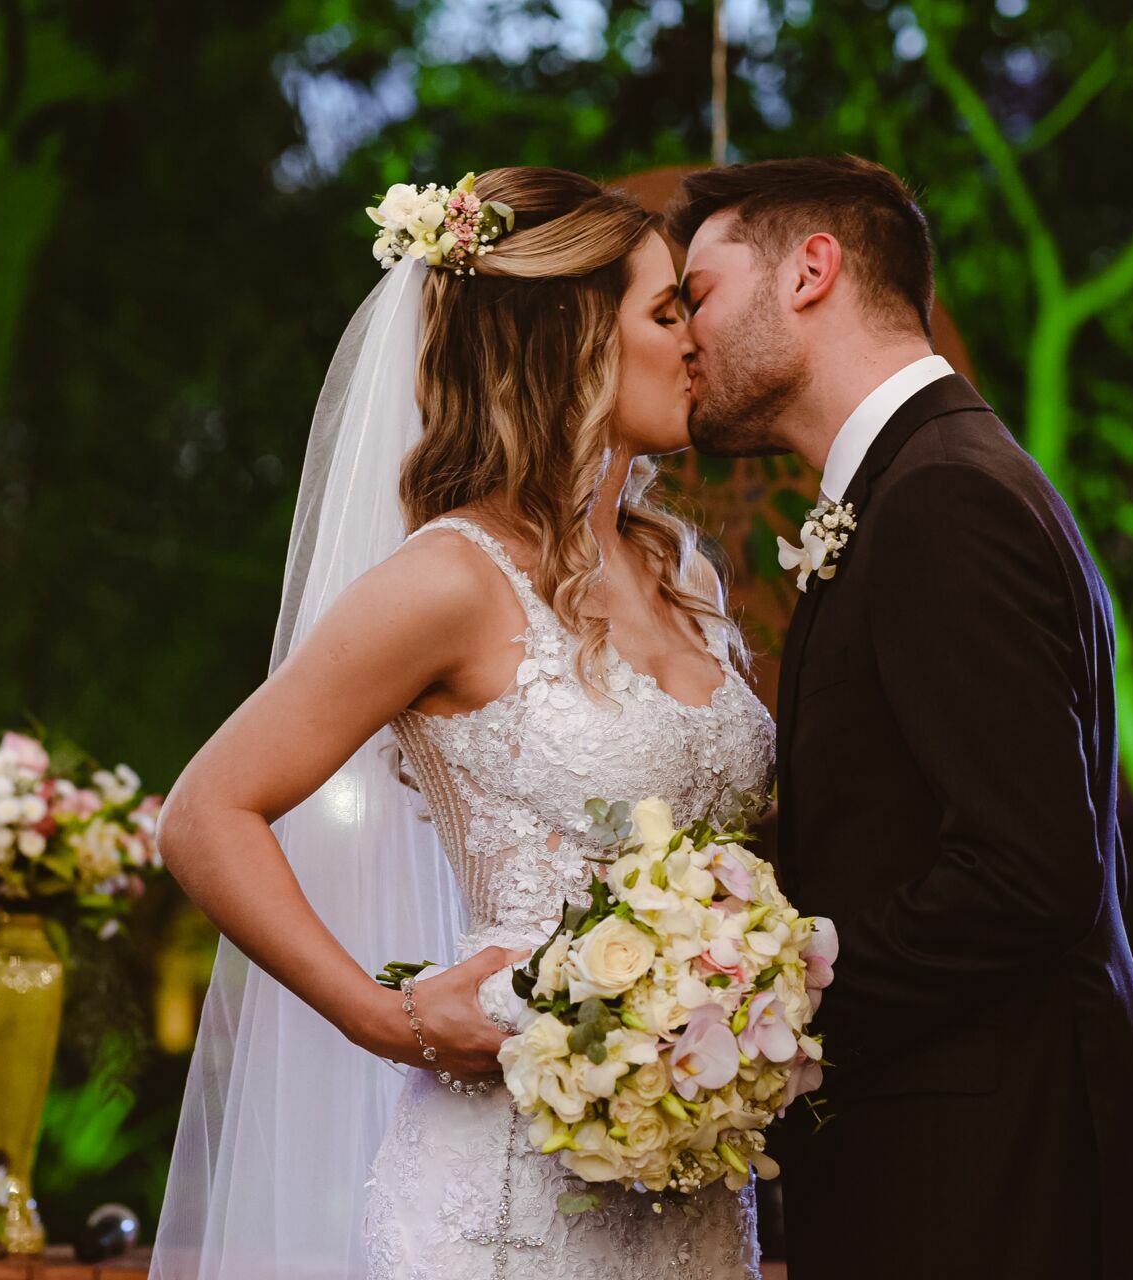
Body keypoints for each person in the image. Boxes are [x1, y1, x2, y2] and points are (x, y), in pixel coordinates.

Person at [152, 168, 774, 1280]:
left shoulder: (679, 567)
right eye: (666, 311)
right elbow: (207, 813)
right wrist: (386, 1017)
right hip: (506, 1192)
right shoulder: (448, 577)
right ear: (571, 335)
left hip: (691, 1184)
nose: (695, 341)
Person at [668, 156, 1133, 1279]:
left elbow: (1024, 870)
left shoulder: (942, 497)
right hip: (955, 1158)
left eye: (701, 291)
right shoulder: (926, 480)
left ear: (812, 270)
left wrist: (772, 1013)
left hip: (989, 1186)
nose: (686, 336)